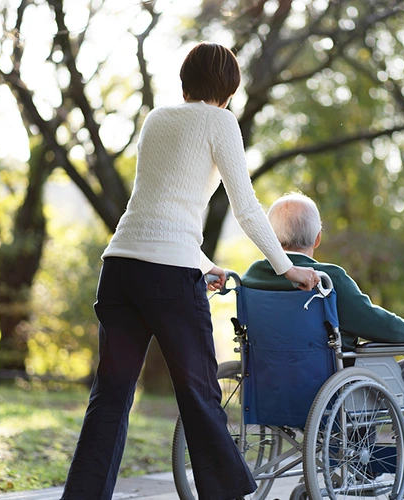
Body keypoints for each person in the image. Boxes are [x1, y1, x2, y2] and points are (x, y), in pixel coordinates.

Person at [60, 44, 320, 500]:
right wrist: (286, 268)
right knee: (200, 396)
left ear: (186, 78)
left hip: (120, 267)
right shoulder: (219, 121)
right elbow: (245, 206)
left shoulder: (157, 119)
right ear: (229, 86)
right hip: (167, 279)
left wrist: (202, 264)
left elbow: (158, 207)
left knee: (111, 397)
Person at [242, 193, 404, 487]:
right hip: (332, 391)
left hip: (271, 388)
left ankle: (364, 456)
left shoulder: (251, 277)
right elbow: (379, 325)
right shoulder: (327, 279)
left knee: (358, 365)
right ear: (317, 239)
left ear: (272, 238)